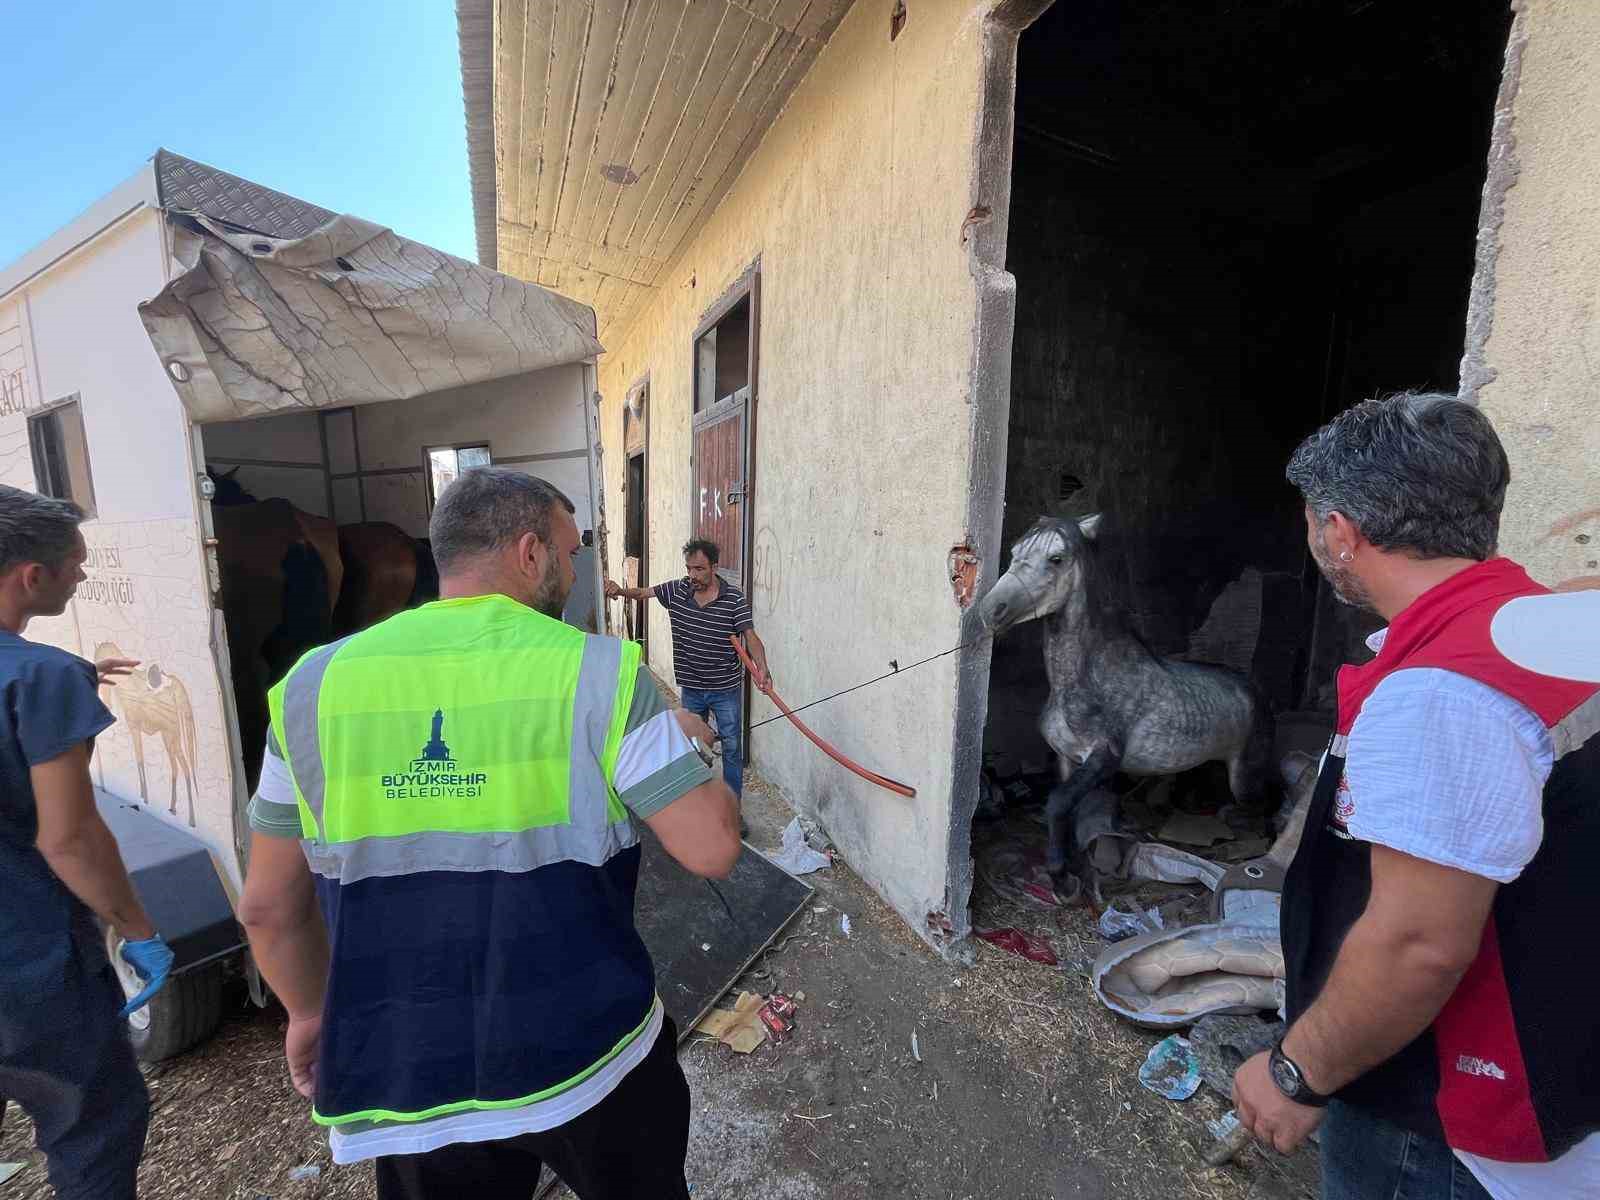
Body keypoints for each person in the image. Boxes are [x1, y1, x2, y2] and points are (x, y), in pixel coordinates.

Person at [237, 468, 740, 1200]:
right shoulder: (599, 672)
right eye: (569, 553)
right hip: (587, 1055)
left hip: (411, 1075)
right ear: (531, 553)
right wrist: (691, 744)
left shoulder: (311, 687)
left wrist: (310, 1013)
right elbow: (713, 847)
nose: (573, 571)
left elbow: (268, 908)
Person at [1232, 393, 1600, 1199]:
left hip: (1440, 1123)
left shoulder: (1438, 692)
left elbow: (1416, 944)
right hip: (1564, 1071)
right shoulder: (1558, 626)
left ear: (1340, 533)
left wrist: (1298, 1074)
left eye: (1312, 520)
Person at [0, 485, 172, 1200]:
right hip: (27, 961)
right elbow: (68, 837)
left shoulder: (43, 677)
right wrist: (137, 928)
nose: (81, 575)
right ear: (30, 577)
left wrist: (66, 685)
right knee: (92, 1126)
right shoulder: (40, 678)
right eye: (74, 564)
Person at [604, 539, 770, 832]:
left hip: (725, 690)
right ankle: (698, 810)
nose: (692, 575)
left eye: (699, 569)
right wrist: (620, 591)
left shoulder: (733, 599)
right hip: (692, 687)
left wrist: (762, 669)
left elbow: (751, 637)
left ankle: (733, 813)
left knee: (731, 751)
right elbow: (644, 592)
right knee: (690, 750)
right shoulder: (678, 590)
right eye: (689, 568)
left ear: (714, 568)